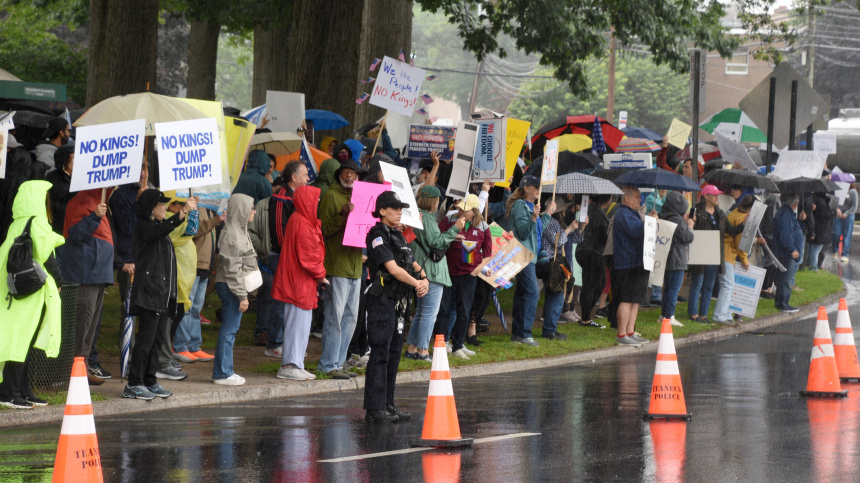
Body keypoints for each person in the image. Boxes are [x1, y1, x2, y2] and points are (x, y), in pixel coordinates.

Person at [364, 191, 429, 423]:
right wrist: (416, 284)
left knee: (393, 355)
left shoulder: (399, 235)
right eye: (395, 208)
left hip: (399, 303)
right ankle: (375, 408)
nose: (400, 211)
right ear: (382, 210)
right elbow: (392, 269)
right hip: (382, 301)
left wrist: (424, 279)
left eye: (401, 208)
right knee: (380, 353)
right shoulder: (377, 234)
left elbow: (410, 262)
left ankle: (389, 405)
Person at [124, 190, 195, 400]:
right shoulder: (145, 227)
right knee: (145, 340)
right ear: (150, 209)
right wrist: (183, 212)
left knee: (156, 341)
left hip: (162, 295)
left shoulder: (157, 229)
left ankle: (150, 380)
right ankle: (134, 383)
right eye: (161, 205)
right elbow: (162, 230)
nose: (164, 207)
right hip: (149, 292)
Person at [0, 181, 64, 409]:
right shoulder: (36, 222)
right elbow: (48, 255)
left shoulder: (17, 223)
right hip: (29, 291)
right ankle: (9, 393)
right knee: (20, 340)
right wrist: (59, 281)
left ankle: (22, 390)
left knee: (20, 339)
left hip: (13, 290)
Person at [272, 185, 327, 381]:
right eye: (316, 199)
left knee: (300, 324)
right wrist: (321, 274)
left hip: (300, 282)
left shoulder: (301, 220)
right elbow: (309, 256)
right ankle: (290, 365)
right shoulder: (302, 223)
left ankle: (296, 363)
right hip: (299, 283)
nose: (318, 203)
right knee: (297, 324)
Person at [318, 159, 365, 379]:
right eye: (346, 172)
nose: (349, 176)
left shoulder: (361, 197)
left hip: (355, 266)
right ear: (339, 175)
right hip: (337, 266)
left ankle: (339, 362)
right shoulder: (331, 196)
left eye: (353, 173)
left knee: (350, 319)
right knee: (335, 318)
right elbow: (324, 229)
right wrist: (344, 214)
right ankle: (327, 365)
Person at [63, 188, 114, 385]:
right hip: (86, 274)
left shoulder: (96, 201)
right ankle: (74, 371)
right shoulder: (82, 200)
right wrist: (94, 216)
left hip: (97, 273)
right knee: (82, 326)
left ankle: (81, 369)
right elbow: (75, 233)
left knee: (89, 327)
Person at [406, 188, 463, 360]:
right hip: (432, 271)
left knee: (421, 312)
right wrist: (455, 229)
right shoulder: (427, 218)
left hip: (423, 269)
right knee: (429, 313)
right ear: (434, 201)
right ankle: (423, 351)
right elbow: (436, 242)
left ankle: (412, 348)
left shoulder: (417, 216)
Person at [257, 161, 308, 348]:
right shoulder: (281, 197)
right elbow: (279, 228)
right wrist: (289, 253)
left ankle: (283, 341)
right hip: (282, 256)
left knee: (289, 299)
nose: (308, 178)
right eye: (304, 175)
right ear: (294, 177)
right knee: (280, 299)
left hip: (292, 256)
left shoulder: (297, 196)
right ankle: (274, 342)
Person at [212, 193, 258, 385]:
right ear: (242, 211)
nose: (254, 211)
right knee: (229, 329)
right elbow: (232, 270)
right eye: (251, 208)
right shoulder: (233, 234)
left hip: (232, 285)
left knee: (231, 329)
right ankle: (223, 373)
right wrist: (242, 296)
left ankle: (226, 370)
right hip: (231, 287)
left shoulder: (239, 230)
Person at [153, 199, 200, 381]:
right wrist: (187, 214)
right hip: (173, 281)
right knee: (166, 322)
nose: (165, 207)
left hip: (181, 282)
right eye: (181, 203)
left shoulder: (175, 219)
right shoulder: (170, 222)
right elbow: (183, 232)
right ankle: (162, 360)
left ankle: (166, 357)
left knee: (172, 320)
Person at [506, 175, 553, 347]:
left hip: (529, 256)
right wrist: (534, 217)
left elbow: (537, 231)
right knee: (532, 292)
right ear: (526, 188)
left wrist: (546, 214)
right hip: (521, 254)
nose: (538, 190)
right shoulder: (519, 205)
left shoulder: (532, 207)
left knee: (524, 293)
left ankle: (518, 333)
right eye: (535, 187)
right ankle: (524, 333)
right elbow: (524, 233)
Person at [173, 205, 223, 363]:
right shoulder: (196, 207)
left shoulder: (210, 208)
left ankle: (194, 345)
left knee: (196, 309)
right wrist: (215, 221)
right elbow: (191, 231)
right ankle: (181, 346)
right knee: (187, 307)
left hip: (205, 265)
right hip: (193, 264)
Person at [612, 186, 651, 345]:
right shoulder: (623, 214)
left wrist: (648, 219)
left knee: (635, 300)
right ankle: (621, 334)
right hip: (627, 263)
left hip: (638, 262)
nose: (640, 200)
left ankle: (630, 332)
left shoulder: (632, 214)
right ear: (626, 198)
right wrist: (649, 221)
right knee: (627, 299)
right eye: (636, 197)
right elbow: (635, 231)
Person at [540, 207, 587, 339]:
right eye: (564, 210)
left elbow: (576, 239)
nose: (565, 212)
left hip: (561, 264)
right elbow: (558, 241)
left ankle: (551, 328)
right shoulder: (550, 222)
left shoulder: (560, 224)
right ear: (560, 211)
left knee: (557, 297)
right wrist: (570, 228)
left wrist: (581, 227)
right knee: (556, 297)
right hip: (553, 264)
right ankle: (549, 330)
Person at [687, 185, 727, 323]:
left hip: (714, 254)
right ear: (706, 197)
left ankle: (703, 315)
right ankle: (693, 314)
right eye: (714, 195)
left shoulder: (720, 213)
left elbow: (730, 230)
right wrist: (691, 221)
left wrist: (744, 225)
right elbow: (689, 226)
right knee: (697, 283)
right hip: (700, 252)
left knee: (709, 285)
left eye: (718, 195)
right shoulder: (696, 211)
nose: (717, 197)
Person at [713, 195, 751, 326]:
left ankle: (726, 314)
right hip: (728, 255)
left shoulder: (734, 212)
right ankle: (720, 315)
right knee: (727, 285)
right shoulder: (742, 218)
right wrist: (745, 260)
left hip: (724, 252)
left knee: (727, 285)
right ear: (750, 209)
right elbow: (740, 242)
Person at [658, 192, 695, 326]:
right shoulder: (678, 219)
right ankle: (669, 316)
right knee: (673, 288)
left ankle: (664, 315)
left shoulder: (664, 215)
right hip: (677, 258)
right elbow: (687, 237)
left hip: (667, 257)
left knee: (668, 287)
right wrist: (690, 227)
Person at [576, 194, 612, 328]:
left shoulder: (586, 210)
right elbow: (605, 238)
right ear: (607, 200)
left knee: (590, 284)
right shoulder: (602, 217)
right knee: (595, 284)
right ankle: (585, 318)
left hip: (581, 250)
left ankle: (585, 316)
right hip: (594, 253)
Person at [774, 194, 804, 313]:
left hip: (787, 252)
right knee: (785, 279)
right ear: (795, 204)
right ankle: (782, 303)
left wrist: (800, 221)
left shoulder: (787, 213)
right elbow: (785, 234)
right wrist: (792, 249)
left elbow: (793, 230)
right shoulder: (786, 214)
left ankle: (782, 302)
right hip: (787, 253)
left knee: (785, 278)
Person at [644, 189, 668, 307]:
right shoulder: (650, 198)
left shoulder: (667, 198)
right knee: (646, 266)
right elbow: (664, 207)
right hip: (649, 236)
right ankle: (643, 296)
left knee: (658, 264)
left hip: (661, 237)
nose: (664, 189)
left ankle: (656, 296)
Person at [46, 144, 75, 237]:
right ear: (65, 160)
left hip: (76, 224)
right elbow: (48, 201)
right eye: (74, 157)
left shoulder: (81, 177)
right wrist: (65, 207)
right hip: (58, 224)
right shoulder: (52, 177)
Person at [806, 191, 833, 271]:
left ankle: (810, 265)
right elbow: (827, 216)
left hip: (814, 228)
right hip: (822, 229)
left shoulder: (812, 200)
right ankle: (813, 268)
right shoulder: (824, 202)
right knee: (815, 250)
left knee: (811, 249)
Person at [834, 183, 857, 262]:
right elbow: (835, 201)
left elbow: (854, 206)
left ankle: (845, 254)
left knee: (847, 235)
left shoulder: (853, 191)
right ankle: (835, 250)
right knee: (836, 233)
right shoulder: (838, 190)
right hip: (839, 214)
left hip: (849, 215)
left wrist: (846, 213)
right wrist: (837, 209)